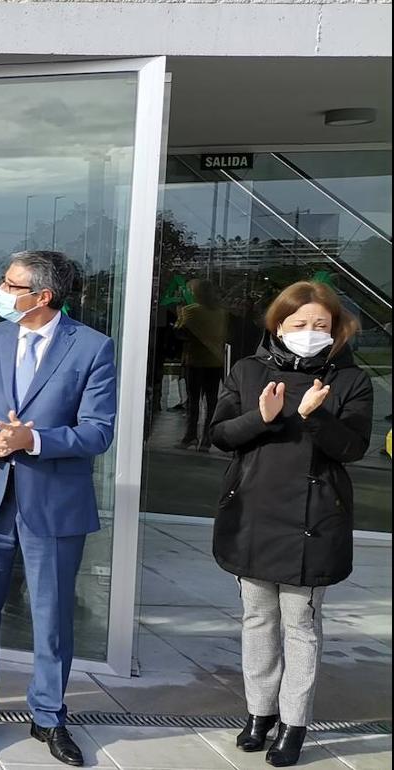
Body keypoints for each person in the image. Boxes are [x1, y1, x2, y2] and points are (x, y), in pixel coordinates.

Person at [0, 251, 116, 766]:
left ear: (42, 296)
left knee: (52, 617)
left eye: (10, 284)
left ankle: (49, 717)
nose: (0, 290)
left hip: (55, 505)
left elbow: (98, 430)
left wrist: (33, 440)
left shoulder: (92, 347)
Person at [209, 281, 372, 767]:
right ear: (279, 326)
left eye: (320, 325)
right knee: (258, 618)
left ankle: (293, 723)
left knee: (301, 624)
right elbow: (220, 435)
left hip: (314, 521)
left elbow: (353, 449)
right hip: (254, 513)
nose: (309, 333)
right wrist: (261, 418)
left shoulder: (350, 381)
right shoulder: (248, 370)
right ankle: (258, 714)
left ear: (336, 330)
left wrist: (315, 418)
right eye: (299, 324)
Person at [175, 279, 228, 450]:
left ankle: (190, 435)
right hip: (215, 361)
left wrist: (178, 314)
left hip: (195, 361)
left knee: (193, 401)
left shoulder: (190, 311)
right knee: (211, 401)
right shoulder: (221, 312)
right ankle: (207, 438)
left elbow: (180, 332)